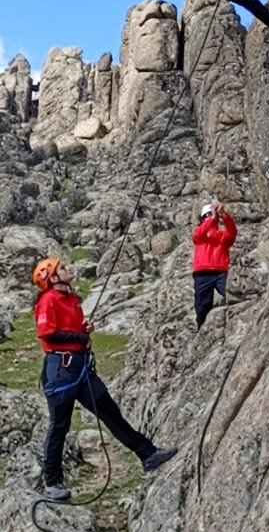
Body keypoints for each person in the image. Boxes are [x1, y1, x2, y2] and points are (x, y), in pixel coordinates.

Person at [33, 258, 177, 500]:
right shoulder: (48, 301)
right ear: (53, 278)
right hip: (61, 372)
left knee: (110, 412)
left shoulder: (71, 298)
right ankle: (52, 482)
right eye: (63, 268)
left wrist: (83, 331)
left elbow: (67, 330)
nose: (69, 269)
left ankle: (148, 455)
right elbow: (47, 333)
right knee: (60, 426)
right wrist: (79, 337)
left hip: (78, 368)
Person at [192, 201, 237, 329]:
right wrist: (213, 218)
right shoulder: (200, 234)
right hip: (202, 273)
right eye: (207, 215)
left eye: (210, 215)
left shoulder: (222, 235)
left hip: (220, 272)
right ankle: (201, 329)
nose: (210, 217)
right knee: (202, 306)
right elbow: (198, 234)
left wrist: (224, 215)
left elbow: (232, 233)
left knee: (231, 294)